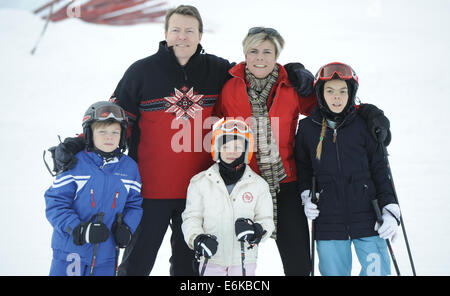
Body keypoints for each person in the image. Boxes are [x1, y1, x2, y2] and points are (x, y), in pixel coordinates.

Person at [47, 6, 391, 276]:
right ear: (166, 33)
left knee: (216, 265)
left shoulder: (244, 76)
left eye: (190, 30)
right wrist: (80, 142)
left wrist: (366, 110)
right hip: (183, 186)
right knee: (155, 263)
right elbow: (115, 115)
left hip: (241, 186)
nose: (183, 36)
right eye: (176, 30)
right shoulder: (164, 73)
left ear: (200, 34)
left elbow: (321, 99)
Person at [213, 27, 394, 276]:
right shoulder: (229, 88)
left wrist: (372, 113)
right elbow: (214, 127)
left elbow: (333, 108)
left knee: (299, 265)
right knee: (231, 261)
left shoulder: (291, 86)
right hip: (245, 184)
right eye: (253, 51)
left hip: (286, 184)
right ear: (245, 52)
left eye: (267, 51)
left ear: (277, 54)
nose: (260, 58)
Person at [294, 62, 400, 276]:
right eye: (330, 91)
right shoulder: (307, 129)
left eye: (343, 91)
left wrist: (390, 210)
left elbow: (380, 170)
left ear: (351, 93)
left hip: (370, 219)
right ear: (320, 93)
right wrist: (306, 196)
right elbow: (303, 169)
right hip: (328, 221)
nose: (336, 97)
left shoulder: (364, 126)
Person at [44, 101, 143, 276]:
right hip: (70, 252)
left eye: (115, 132)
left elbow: (134, 205)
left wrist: (127, 228)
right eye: (102, 132)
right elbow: (56, 204)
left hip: (106, 257)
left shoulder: (129, 168)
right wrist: (79, 229)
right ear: (89, 134)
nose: (109, 137)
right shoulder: (75, 164)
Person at [182, 119, 274, 276]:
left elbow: (266, 220)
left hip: (243, 261)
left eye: (238, 147)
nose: (231, 152)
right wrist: (197, 239)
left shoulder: (258, 185)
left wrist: (255, 231)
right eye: (226, 146)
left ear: (246, 150)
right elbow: (192, 218)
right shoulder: (200, 182)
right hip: (211, 259)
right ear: (217, 148)